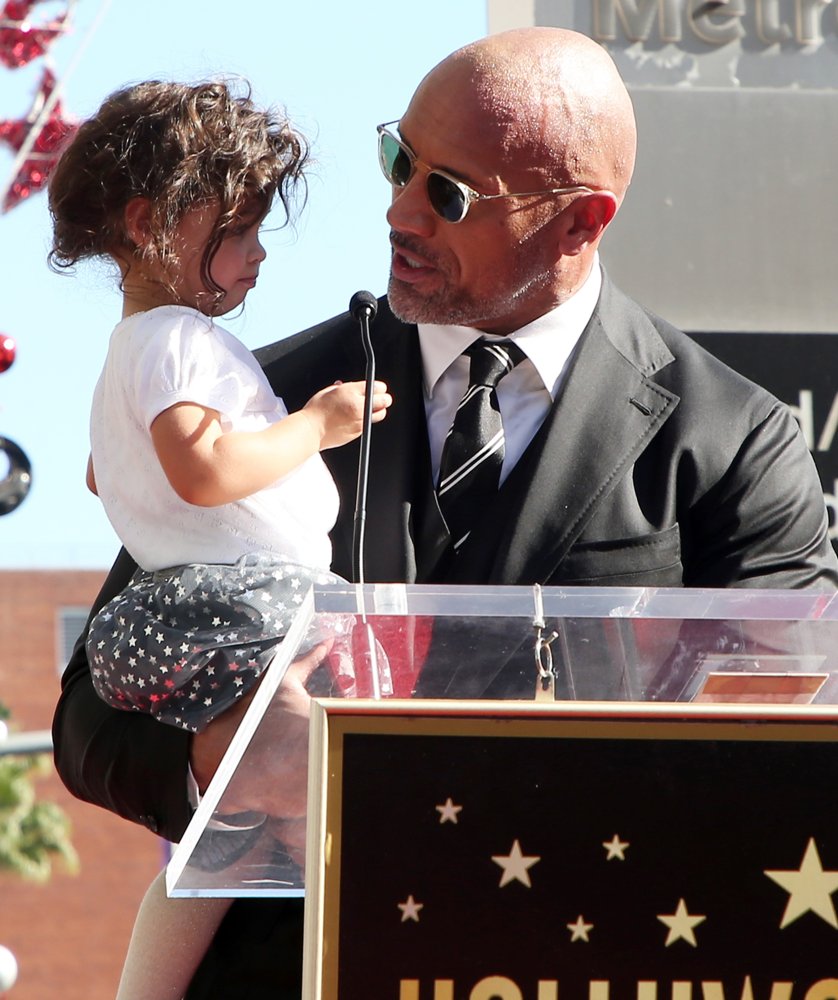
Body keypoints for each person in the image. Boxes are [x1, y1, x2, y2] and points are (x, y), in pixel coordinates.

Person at [52, 27, 838, 1000]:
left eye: (449, 193)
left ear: (581, 222)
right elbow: (90, 717)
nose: (399, 212)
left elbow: (782, 750)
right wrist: (232, 753)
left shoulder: (732, 444)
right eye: (398, 161)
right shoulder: (265, 394)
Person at [47, 79, 391, 998]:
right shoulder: (176, 338)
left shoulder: (138, 347)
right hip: (247, 609)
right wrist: (319, 424)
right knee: (367, 751)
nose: (257, 253)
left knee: (231, 837)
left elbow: (107, 473)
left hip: (205, 612)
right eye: (237, 231)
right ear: (152, 223)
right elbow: (199, 472)